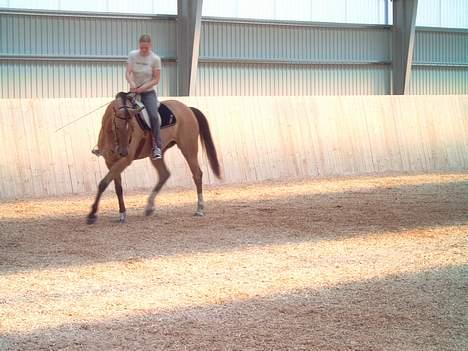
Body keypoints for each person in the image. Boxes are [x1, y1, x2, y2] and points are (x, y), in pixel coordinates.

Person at [126, 34, 163, 159]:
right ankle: (104, 143)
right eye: (141, 48)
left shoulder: (155, 59)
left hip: (148, 92)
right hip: (134, 90)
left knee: (153, 115)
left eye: (146, 48)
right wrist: (131, 83)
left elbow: (156, 79)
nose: (143, 50)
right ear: (139, 45)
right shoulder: (132, 55)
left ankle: (157, 146)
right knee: (118, 110)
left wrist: (144, 87)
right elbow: (128, 72)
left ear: (150, 46)